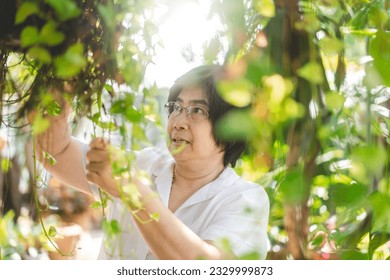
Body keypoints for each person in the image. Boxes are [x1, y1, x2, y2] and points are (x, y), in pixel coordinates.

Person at [33, 65, 269, 260]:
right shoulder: (144, 164)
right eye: (176, 108)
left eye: (197, 110)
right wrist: (57, 86)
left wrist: (132, 190)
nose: (178, 121)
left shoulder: (245, 200)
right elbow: (58, 152)